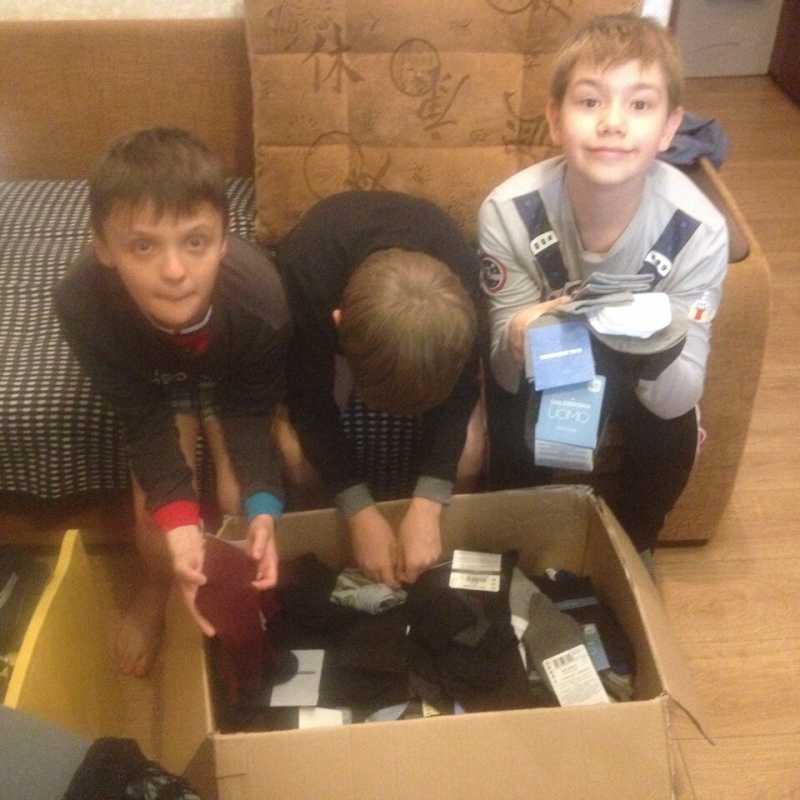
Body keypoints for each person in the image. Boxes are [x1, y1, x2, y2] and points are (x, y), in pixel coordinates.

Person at [477, 14, 729, 558]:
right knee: (509, 416)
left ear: (669, 127)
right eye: (590, 101)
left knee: (673, 432)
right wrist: (517, 336)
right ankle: (521, 546)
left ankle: (635, 547)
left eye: (640, 104)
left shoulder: (699, 231)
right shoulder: (509, 212)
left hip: (642, 377)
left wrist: (647, 346)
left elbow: (681, 393)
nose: (612, 122)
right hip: (548, 360)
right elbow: (502, 371)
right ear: (555, 118)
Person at [54, 127, 292, 677]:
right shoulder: (80, 303)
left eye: (195, 242)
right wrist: (178, 522)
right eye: (143, 246)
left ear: (225, 240)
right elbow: (141, 415)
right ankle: (155, 587)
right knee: (157, 527)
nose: (175, 272)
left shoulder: (262, 304)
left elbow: (251, 410)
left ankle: (213, 433)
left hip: (230, 376)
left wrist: (264, 506)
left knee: (240, 501)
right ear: (103, 247)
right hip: (152, 380)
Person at [273, 190, 484, 590]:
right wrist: (358, 512)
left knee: (470, 451)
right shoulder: (305, 276)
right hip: (323, 286)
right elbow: (309, 401)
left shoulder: (467, 289)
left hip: (419, 280)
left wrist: (428, 505)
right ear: (339, 323)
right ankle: (330, 556)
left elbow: (460, 397)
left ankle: (441, 557)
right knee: (297, 456)